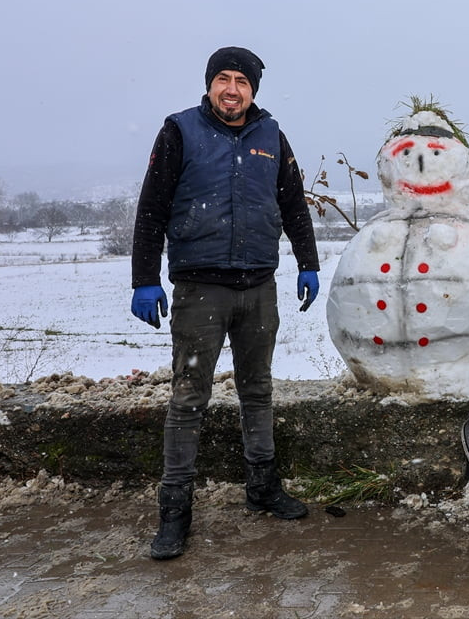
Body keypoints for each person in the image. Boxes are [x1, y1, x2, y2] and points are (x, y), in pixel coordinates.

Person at [130, 46, 321, 560]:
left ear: (253, 90)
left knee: (257, 390)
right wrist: (144, 278)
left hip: (259, 288)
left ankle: (262, 487)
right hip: (201, 290)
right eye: (223, 79)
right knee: (189, 398)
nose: (231, 89)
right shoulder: (180, 131)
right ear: (210, 85)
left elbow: (292, 202)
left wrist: (308, 261)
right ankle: (175, 512)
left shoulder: (271, 137)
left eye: (241, 81)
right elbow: (152, 206)